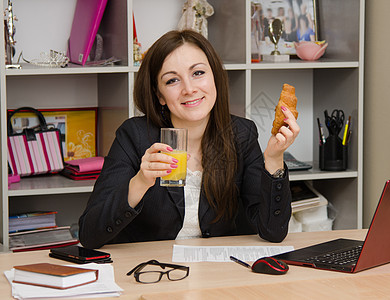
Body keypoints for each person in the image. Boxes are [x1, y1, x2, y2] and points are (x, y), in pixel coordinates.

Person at [78, 30, 300, 249]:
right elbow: (89, 234)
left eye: (198, 73)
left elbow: (273, 231)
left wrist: (273, 159)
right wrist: (140, 182)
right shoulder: (134, 136)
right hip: (153, 272)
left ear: (215, 77)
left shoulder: (241, 134)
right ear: (159, 96)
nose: (189, 89)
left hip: (219, 273)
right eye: (172, 80)